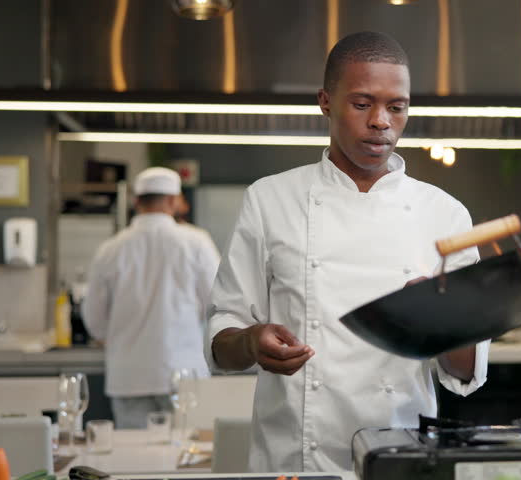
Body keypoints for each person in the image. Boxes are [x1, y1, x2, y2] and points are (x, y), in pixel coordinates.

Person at [207, 31, 489, 472]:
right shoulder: (270, 199)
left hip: (402, 460)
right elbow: (223, 332)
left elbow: (465, 370)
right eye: (362, 104)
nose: (381, 121)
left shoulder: (445, 214)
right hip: (293, 463)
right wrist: (248, 341)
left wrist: (445, 323)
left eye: (397, 107)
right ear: (325, 101)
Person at [83, 167, 219, 428]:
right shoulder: (196, 242)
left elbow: (95, 322)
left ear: (136, 202)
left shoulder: (110, 249)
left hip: (128, 376)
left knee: (135, 460)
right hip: (184, 374)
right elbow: (216, 304)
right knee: (189, 458)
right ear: (173, 201)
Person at [175, 190, 221, 260]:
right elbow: (215, 269)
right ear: (171, 200)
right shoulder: (197, 237)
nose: (186, 207)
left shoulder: (196, 235)